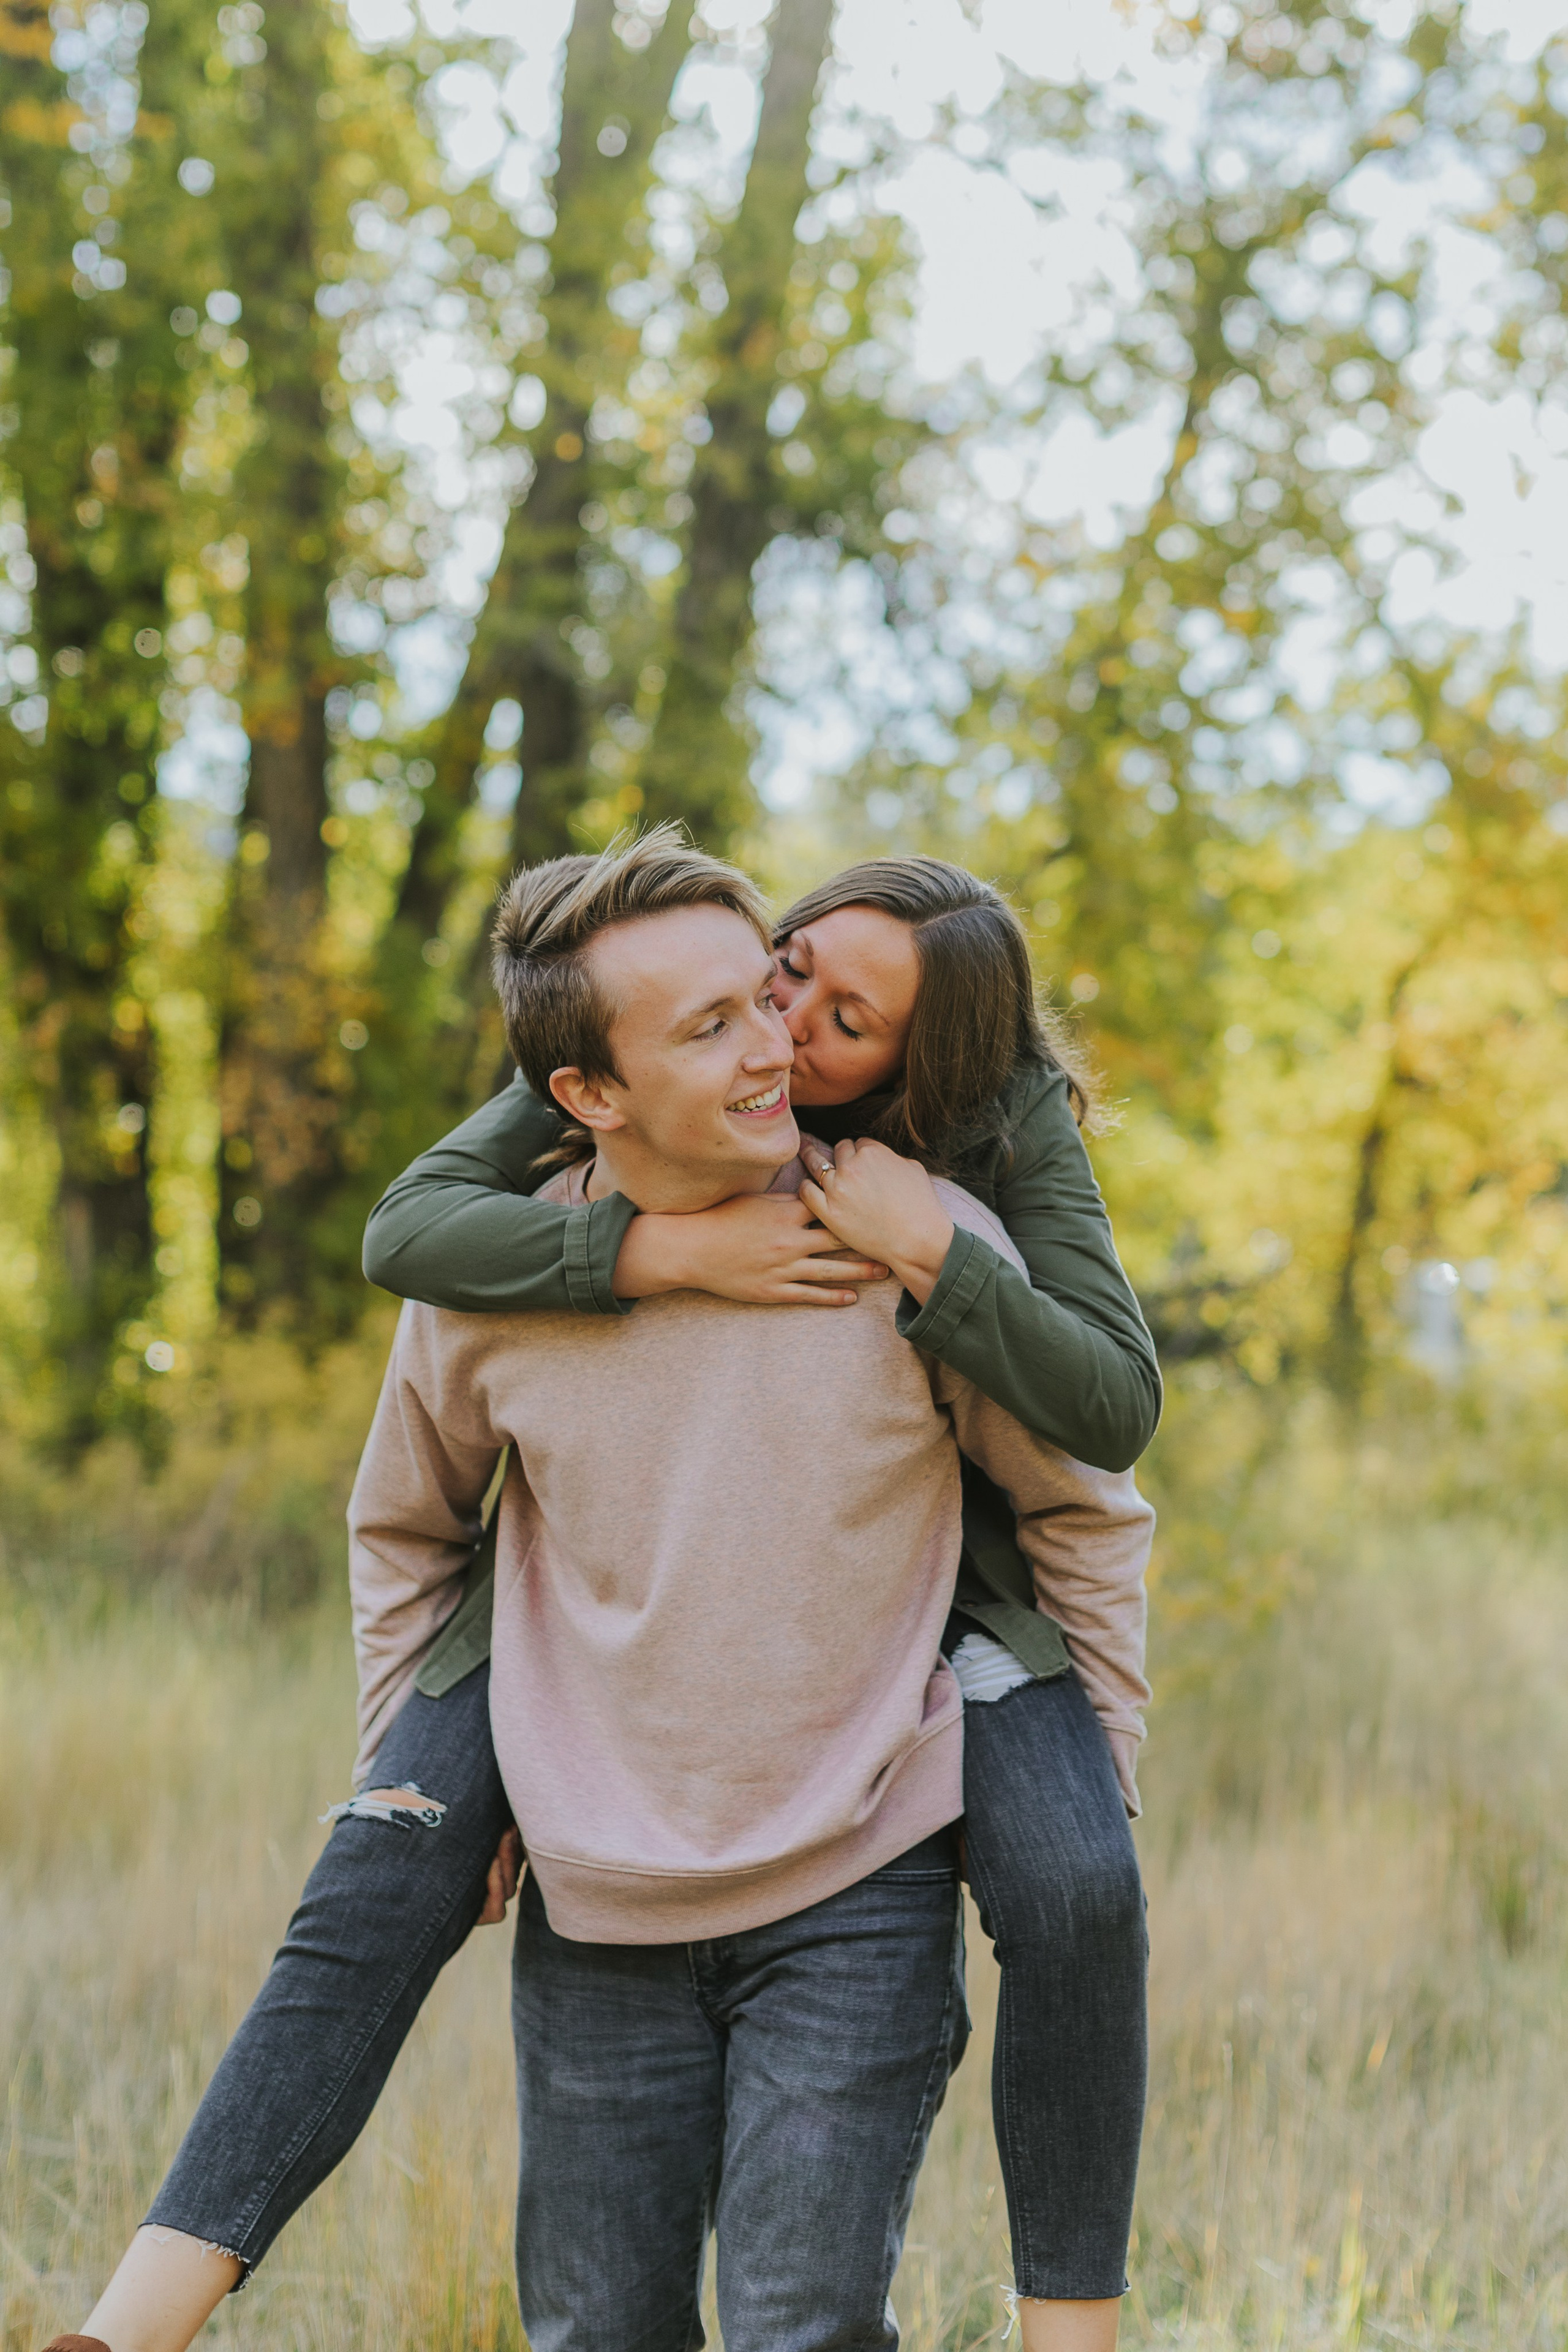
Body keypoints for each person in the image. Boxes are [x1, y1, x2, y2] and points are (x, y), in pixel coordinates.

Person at [47, 835, 1152, 2352]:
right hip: (601, 1885)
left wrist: (1096, 1778)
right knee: (596, 2330)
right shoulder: (496, 1279)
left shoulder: (920, 1234)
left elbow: (1085, 1489)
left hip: (856, 1868)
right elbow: (408, 1524)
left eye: (805, 1016)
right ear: (587, 1091)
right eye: (743, 1005)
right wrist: (427, 1772)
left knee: (802, 2327)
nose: (774, 1037)